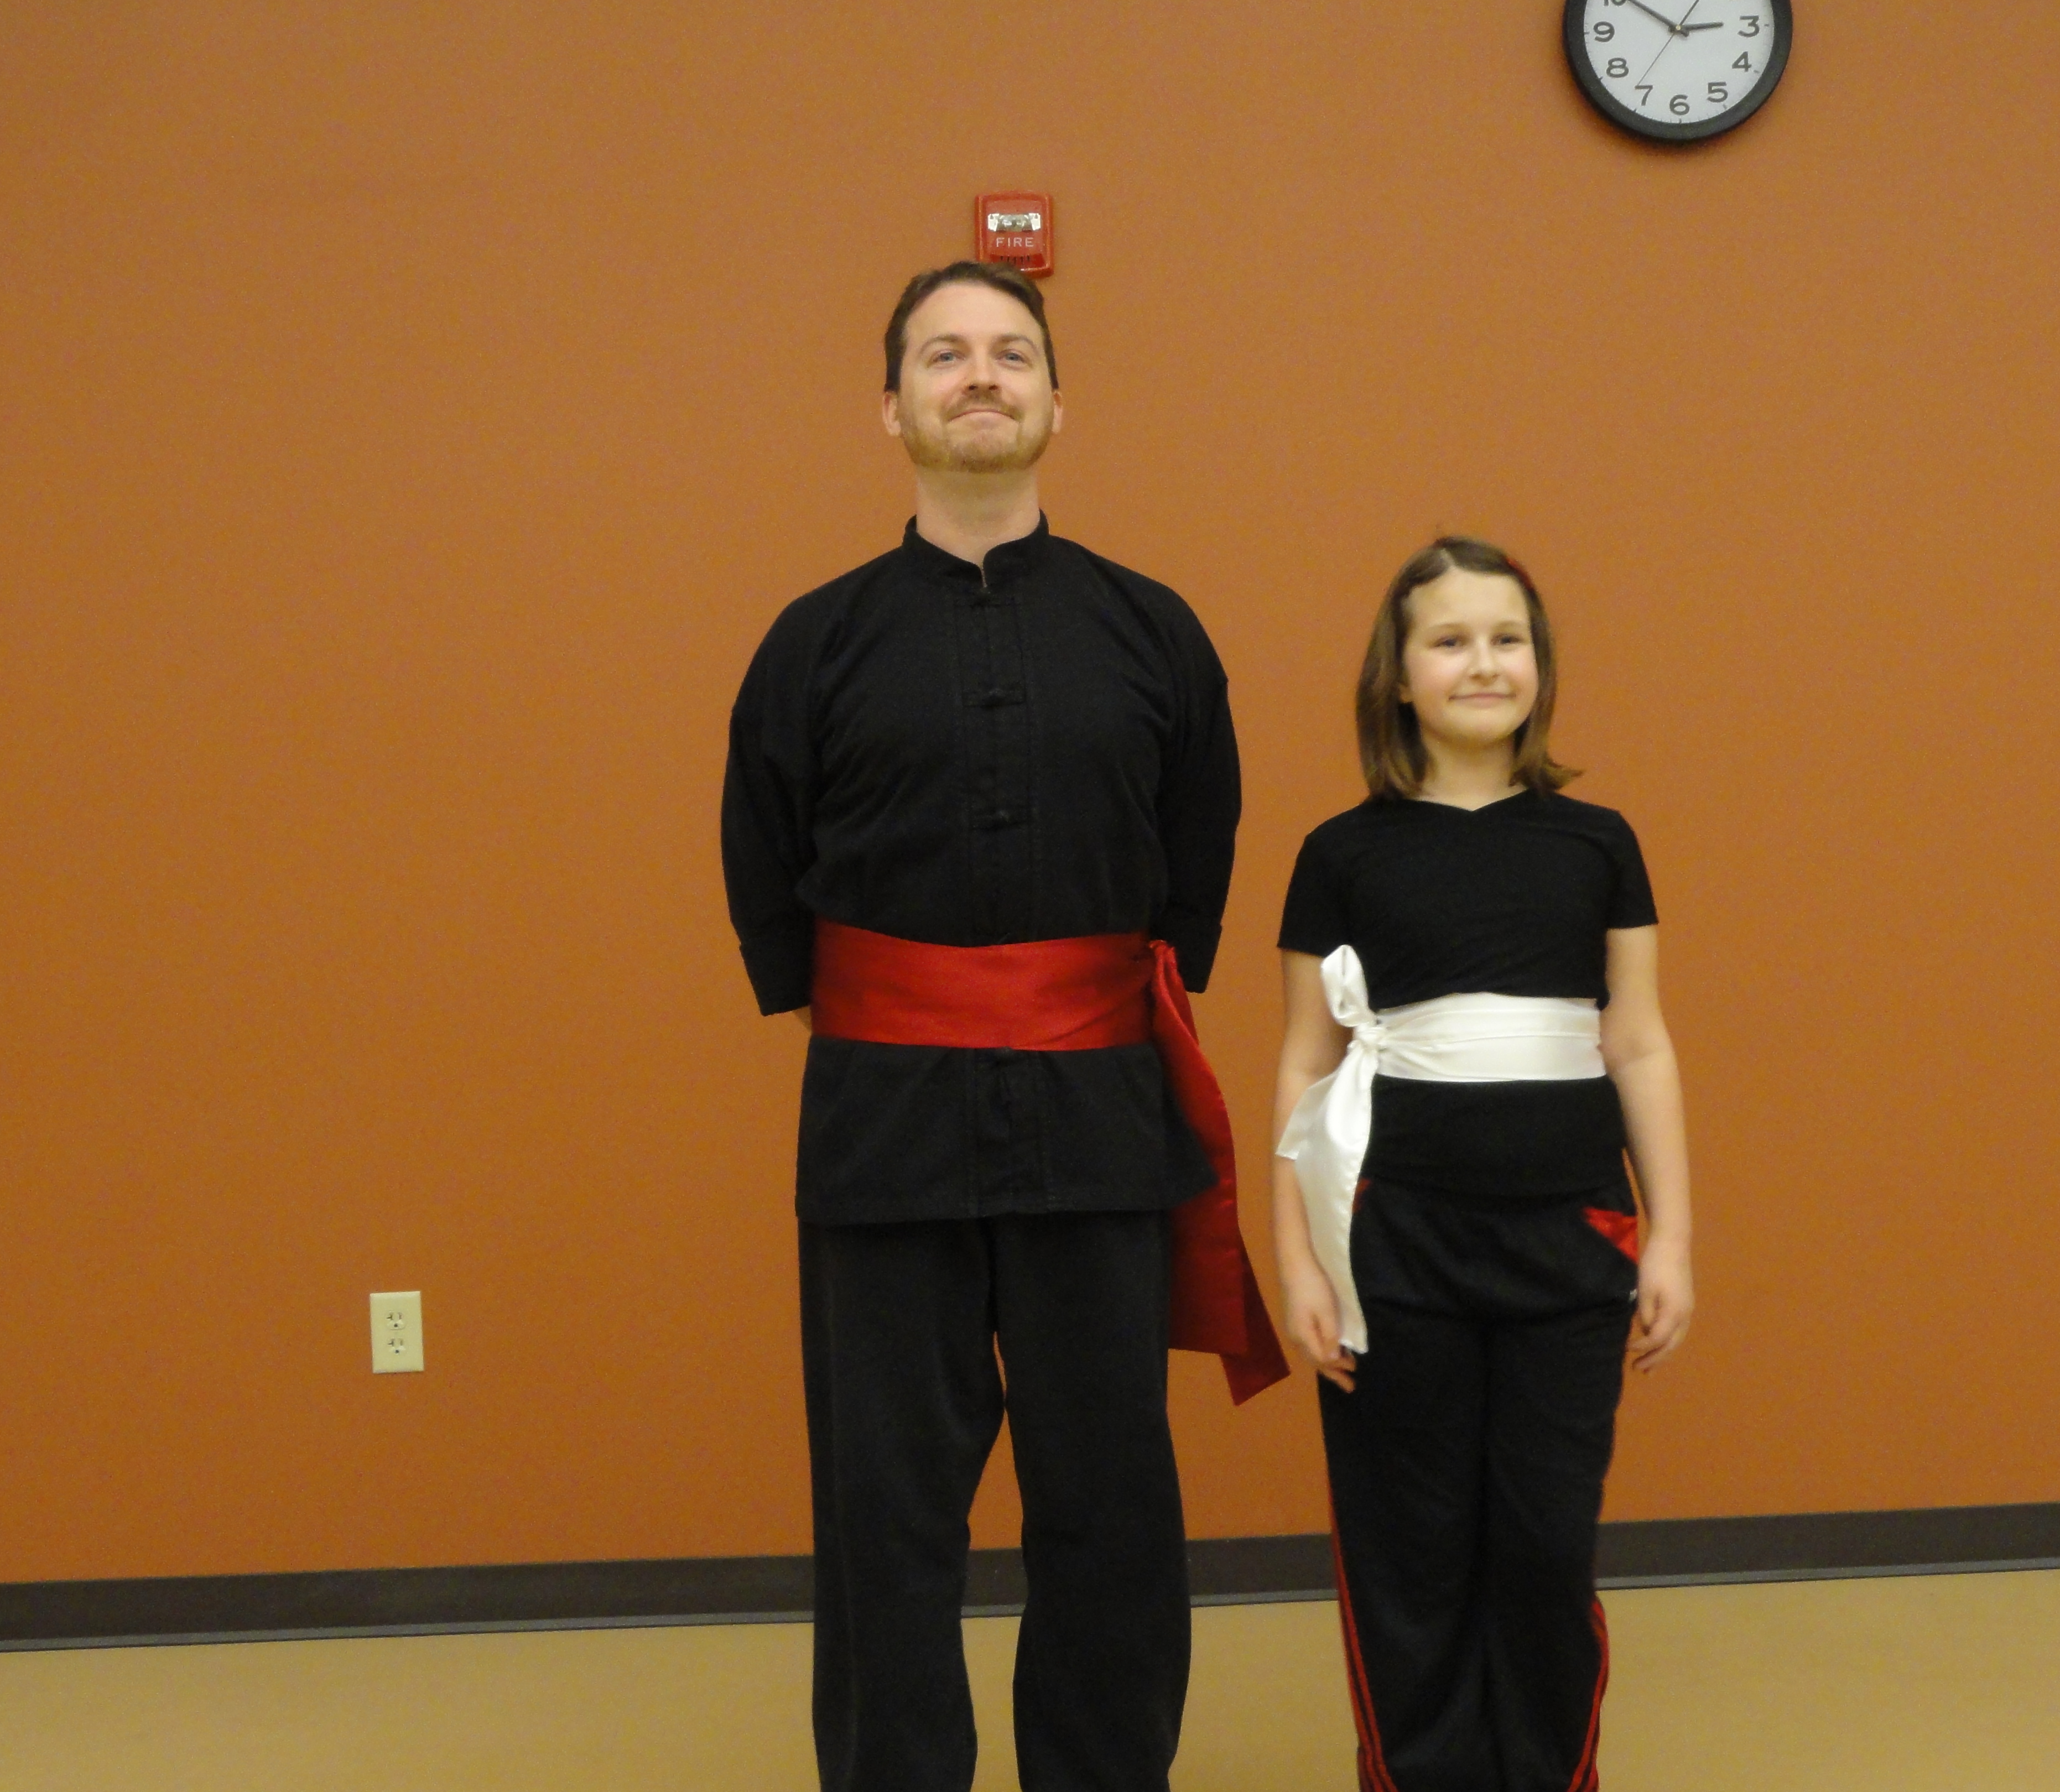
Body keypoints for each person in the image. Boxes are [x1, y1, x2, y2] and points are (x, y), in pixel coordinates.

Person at [721, 261, 1285, 1792]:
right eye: (944, 354)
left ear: (1056, 401)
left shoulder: (1152, 632)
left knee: (1110, 1500)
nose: (981, 375)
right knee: (884, 1510)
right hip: (882, 1130)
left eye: (1011, 353)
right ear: (891, 406)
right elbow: (766, 868)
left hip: (1099, 1117)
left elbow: (1197, 856)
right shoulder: (813, 643)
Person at [1266, 538, 1694, 1792]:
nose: (1483, 663)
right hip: (1393, 1246)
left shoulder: (1598, 844)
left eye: (1508, 638)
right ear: (1398, 676)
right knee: (1411, 1549)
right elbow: (1304, 1065)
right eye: (1449, 641)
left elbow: (1638, 1041)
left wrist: (1671, 1235)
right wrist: (1298, 1261)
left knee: (1544, 1544)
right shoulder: (1340, 855)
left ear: (1540, 665)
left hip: (1572, 1241)